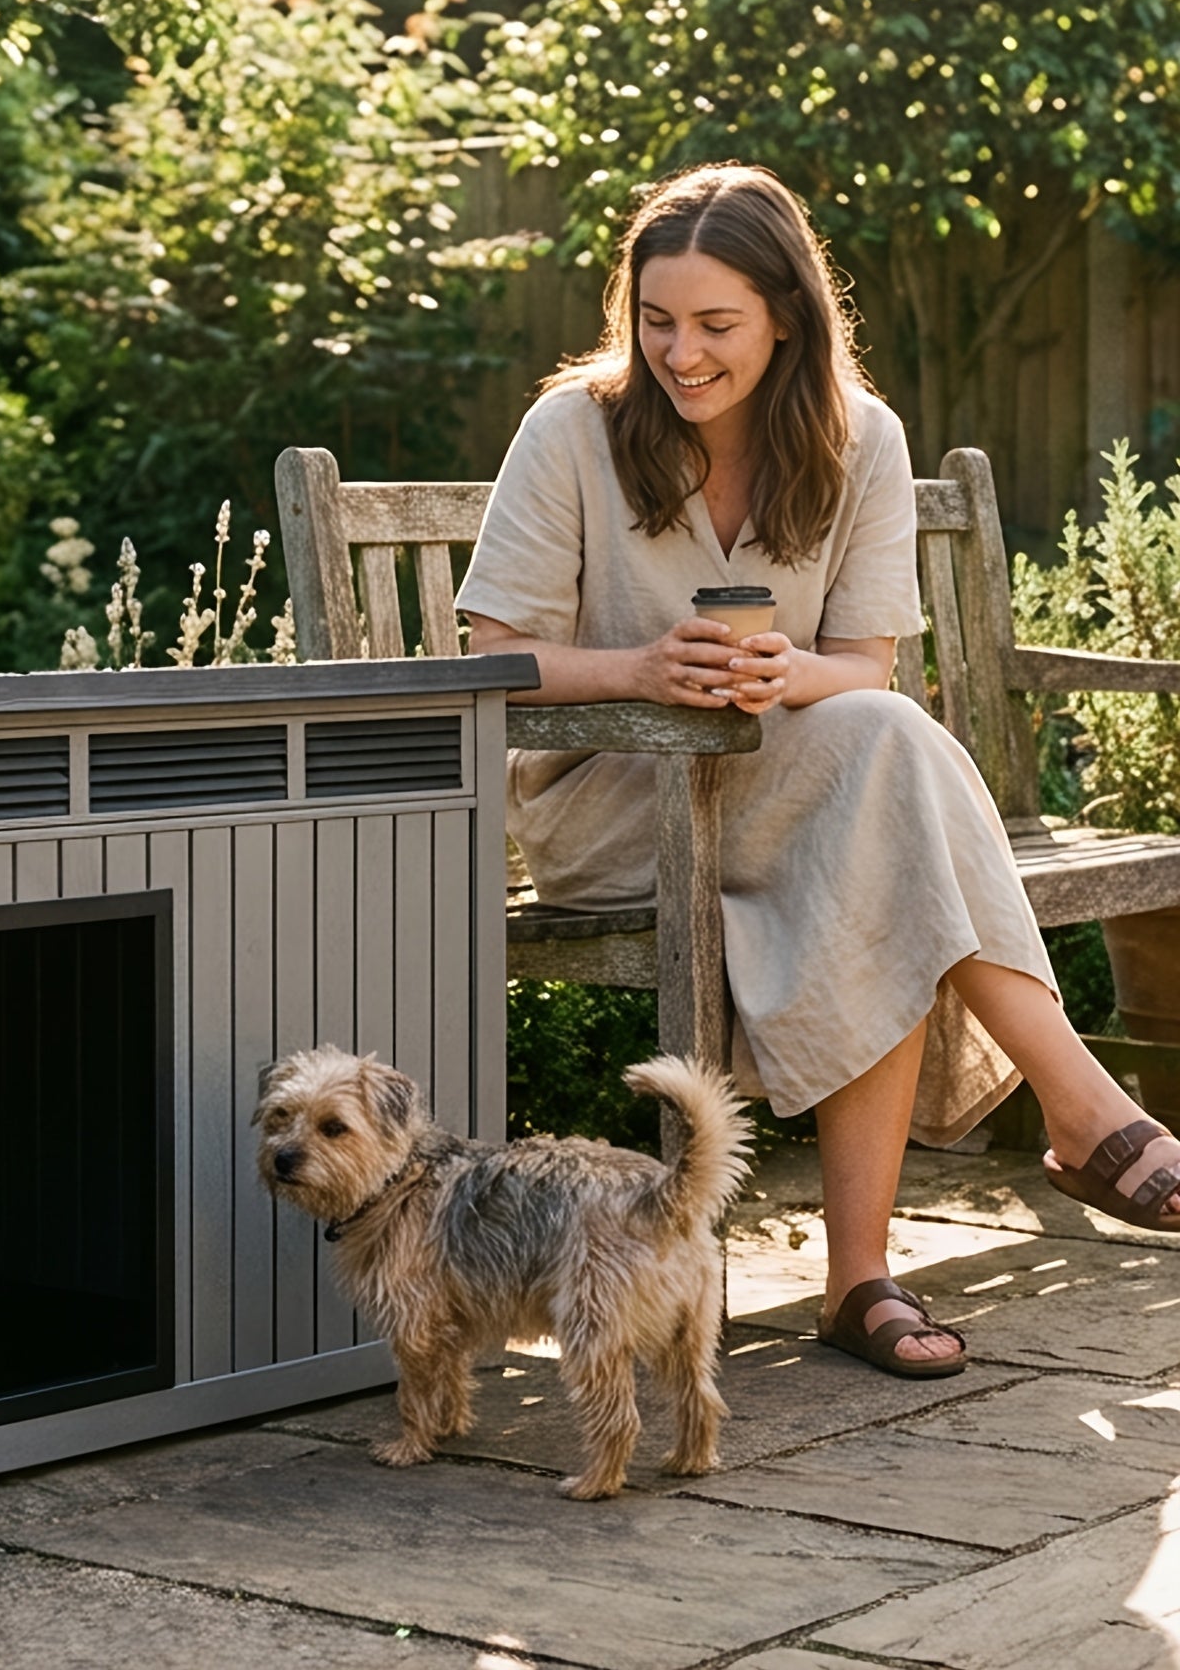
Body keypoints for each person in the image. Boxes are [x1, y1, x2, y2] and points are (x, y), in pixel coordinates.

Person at [455, 162, 1180, 1378]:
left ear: (786, 315)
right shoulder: (571, 429)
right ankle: (1073, 1116)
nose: (678, 353)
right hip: (617, 799)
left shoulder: (860, 439)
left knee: (874, 802)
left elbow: (861, 668)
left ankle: (865, 1281)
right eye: (655, 319)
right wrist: (642, 668)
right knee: (883, 782)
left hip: (797, 783)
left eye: (713, 324)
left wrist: (775, 673)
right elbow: (492, 661)